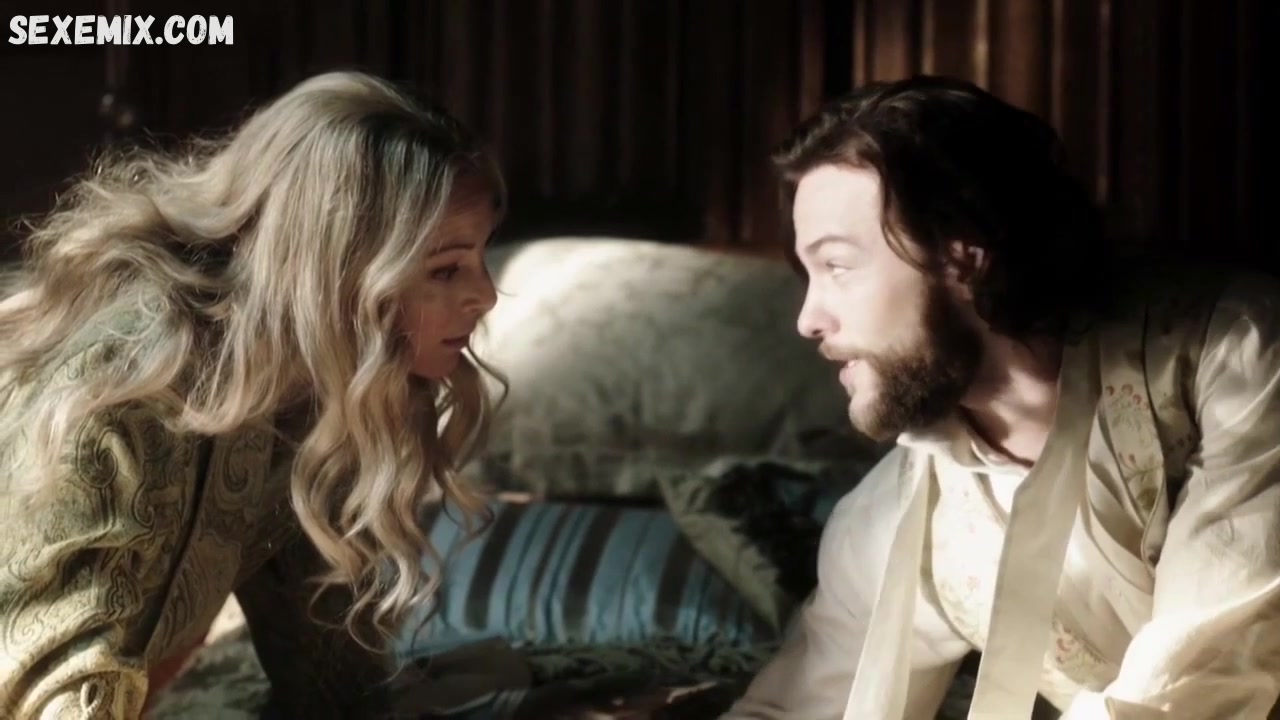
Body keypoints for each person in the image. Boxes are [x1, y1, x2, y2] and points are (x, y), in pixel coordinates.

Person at [724, 75, 1280, 719]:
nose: (808, 319)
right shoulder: (899, 515)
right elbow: (796, 706)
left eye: (838, 266)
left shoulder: (1231, 355)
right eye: (808, 273)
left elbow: (1197, 685)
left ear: (964, 255)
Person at [0, 70, 505, 719]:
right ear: (334, 269)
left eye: (480, 259)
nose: (485, 295)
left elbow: (329, 680)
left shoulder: (311, 390)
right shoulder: (127, 393)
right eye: (446, 268)